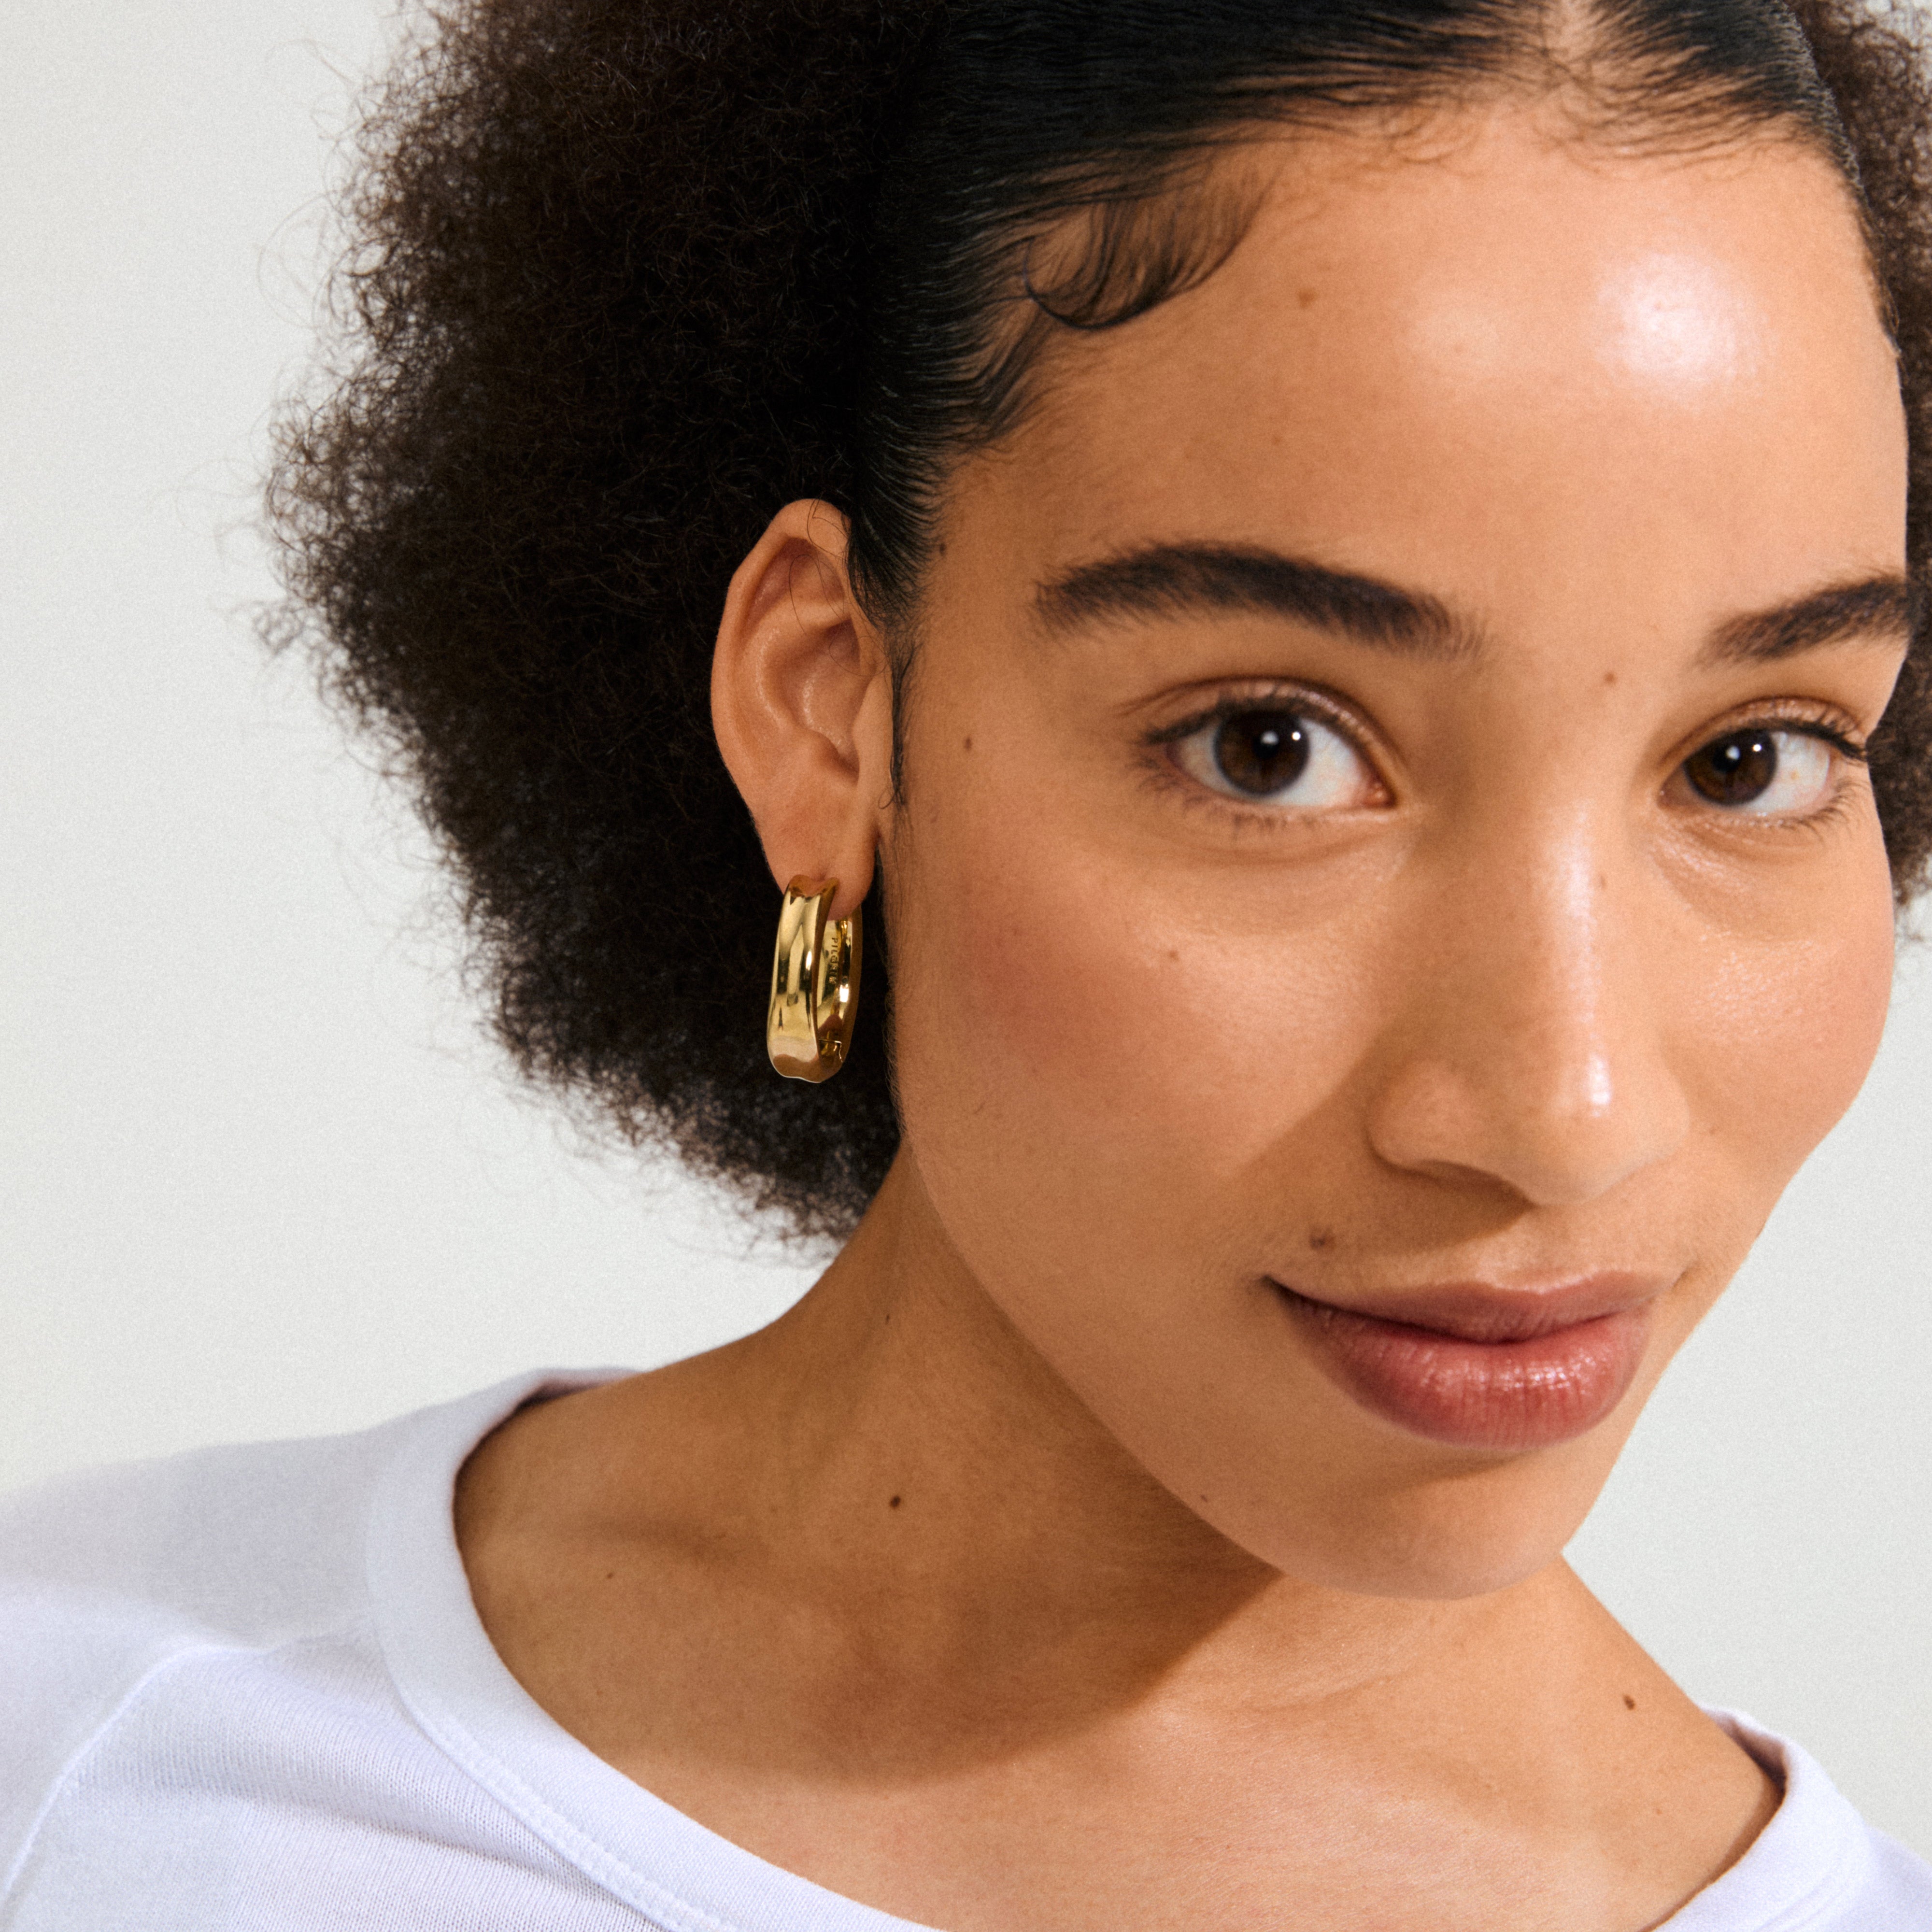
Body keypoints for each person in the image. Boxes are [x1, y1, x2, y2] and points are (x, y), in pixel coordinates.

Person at [3, 0, 1931, 1924]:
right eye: (1271, 747)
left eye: (1747, 760)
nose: (1561, 1115)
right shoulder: (81, 1751)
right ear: (830, 718)